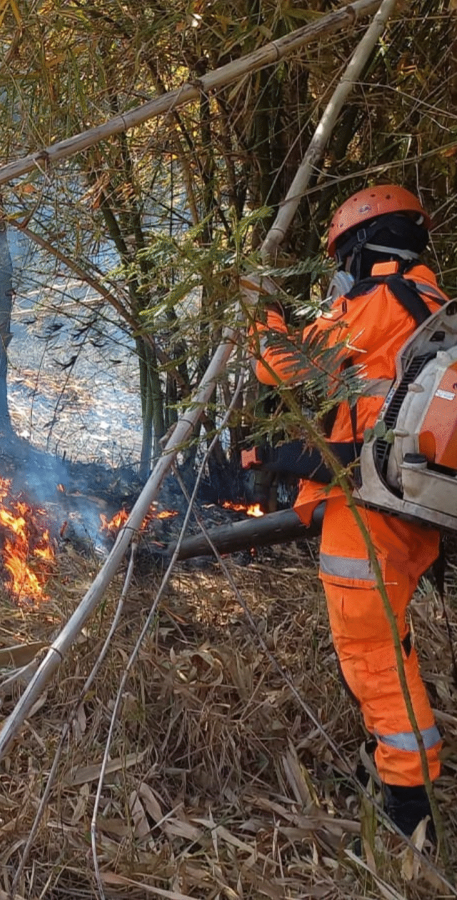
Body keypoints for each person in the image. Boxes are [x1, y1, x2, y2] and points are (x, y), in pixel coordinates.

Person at [251, 184, 448, 838]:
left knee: (370, 649)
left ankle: (406, 803)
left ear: (363, 248)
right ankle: (387, 765)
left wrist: (257, 316)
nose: (342, 270)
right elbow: (350, 393)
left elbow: (285, 368)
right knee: (382, 640)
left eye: (343, 257)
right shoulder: (432, 306)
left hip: (371, 509)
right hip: (411, 504)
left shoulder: (378, 302)